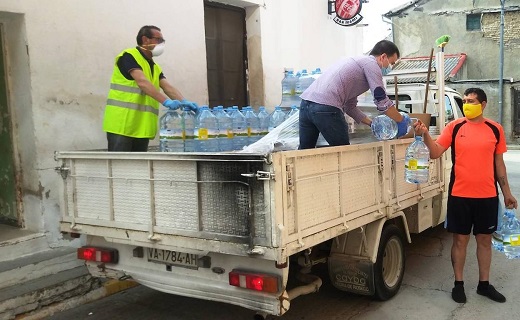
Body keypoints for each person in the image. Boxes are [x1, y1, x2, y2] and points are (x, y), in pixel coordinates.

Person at [413, 87, 518, 304]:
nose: (467, 105)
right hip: (460, 196)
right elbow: (434, 152)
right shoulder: (455, 126)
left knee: (485, 241)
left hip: (487, 196)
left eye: (471, 101)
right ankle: (458, 284)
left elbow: (499, 165)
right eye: (465, 101)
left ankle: (484, 285)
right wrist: (424, 133)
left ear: (483, 104)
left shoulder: (495, 129)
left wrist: (507, 193)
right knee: (460, 241)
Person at [298, 40, 409, 149]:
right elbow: (381, 100)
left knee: (304, 152)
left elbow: (349, 106)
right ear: (383, 57)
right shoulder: (372, 64)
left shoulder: (357, 63)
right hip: (326, 107)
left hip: (305, 105)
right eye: (392, 63)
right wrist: (400, 120)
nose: (391, 67)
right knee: (343, 153)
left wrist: (372, 123)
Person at [103, 25, 198, 152]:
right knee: (121, 168)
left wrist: (184, 101)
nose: (161, 44)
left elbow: (167, 87)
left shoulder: (154, 67)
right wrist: (166, 102)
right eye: (158, 40)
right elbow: (142, 82)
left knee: (140, 168)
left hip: (141, 128)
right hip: (122, 124)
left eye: (163, 41)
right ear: (145, 39)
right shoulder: (129, 56)